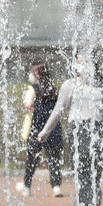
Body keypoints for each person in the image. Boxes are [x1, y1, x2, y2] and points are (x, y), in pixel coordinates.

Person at [38, 53, 103, 206]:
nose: (82, 65)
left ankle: (92, 204)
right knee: (83, 165)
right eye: (79, 62)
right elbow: (59, 110)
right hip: (78, 128)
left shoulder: (100, 84)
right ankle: (83, 203)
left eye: (86, 62)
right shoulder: (69, 85)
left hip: (98, 129)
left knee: (96, 168)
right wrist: (45, 131)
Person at [15, 62, 64, 198]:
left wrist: (27, 104)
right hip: (52, 128)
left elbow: (28, 104)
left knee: (32, 159)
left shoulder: (32, 89)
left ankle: (27, 186)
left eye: (32, 72)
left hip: (36, 128)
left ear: (36, 75)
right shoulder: (53, 89)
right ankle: (56, 187)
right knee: (53, 159)